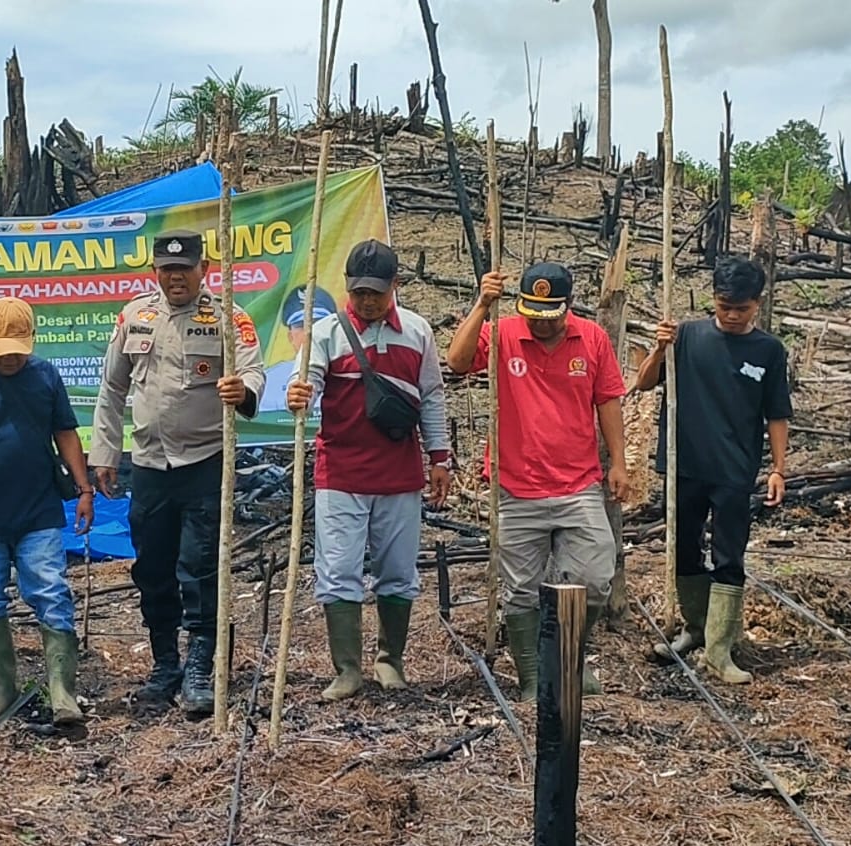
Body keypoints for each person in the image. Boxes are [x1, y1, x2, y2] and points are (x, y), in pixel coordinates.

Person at [90, 229, 265, 714]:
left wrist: (242, 391)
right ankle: (165, 662)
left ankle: (200, 667)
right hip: (148, 465)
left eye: (184, 269)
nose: (175, 278)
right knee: (152, 567)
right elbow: (111, 390)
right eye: (166, 270)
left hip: (204, 463)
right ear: (155, 273)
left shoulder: (229, 317)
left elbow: (254, 373)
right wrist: (104, 453)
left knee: (201, 567)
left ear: (202, 269)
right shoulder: (135, 316)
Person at [446, 262, 629, 702]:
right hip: (514, 485)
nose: (540, 323)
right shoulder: (502, 331)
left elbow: (607, 400)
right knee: (521, 588)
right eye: (532, 313)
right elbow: (457, 360)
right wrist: (482, 303)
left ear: (567, 306)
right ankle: (532, 678)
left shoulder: (593, 339)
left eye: (549, 315)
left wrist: (618, 461)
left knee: (596, 575)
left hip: (578, 483)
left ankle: (566, 658)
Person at [285, 240, 452, 700]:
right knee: (338, 569)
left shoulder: (417, 332)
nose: (368, 301)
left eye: (377, 292)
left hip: (399, 473)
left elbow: (432, 397)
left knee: (397, 569)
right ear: (347, 288)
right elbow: (308, 382)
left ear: (395, 286)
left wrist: (440, 457)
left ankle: (390, 660)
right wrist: (301, 394)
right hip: (340, 470)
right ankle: (347, 669)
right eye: (359, 293)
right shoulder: (326, 334)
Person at [634, 255, 792, 684]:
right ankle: (695, 628)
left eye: (742, 308)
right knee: (683, 549)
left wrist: (778, 468)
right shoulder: (686, 336)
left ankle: (720, 649)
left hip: (735, 469)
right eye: (725, 306)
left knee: (728, 555)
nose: (733, 315)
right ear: (713, 300)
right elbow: (645, 383)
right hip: (684, 465)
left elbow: (777, 414)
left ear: (757, 303)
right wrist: (659, 347)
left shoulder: (769, 351)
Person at [0, 297, 95, 724]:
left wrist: (84, 488)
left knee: (51, 592)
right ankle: (4, 686)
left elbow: (65, 432)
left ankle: (62, 690)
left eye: (18, 349)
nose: (11, 358)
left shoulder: (44, 374)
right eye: (2, 349)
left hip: (38, 508)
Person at [258, 285, 337, 413]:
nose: (310, 332)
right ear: (290, 336)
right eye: (301, 325)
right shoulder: (270, 381)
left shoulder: (349, 372)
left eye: (318, 323)